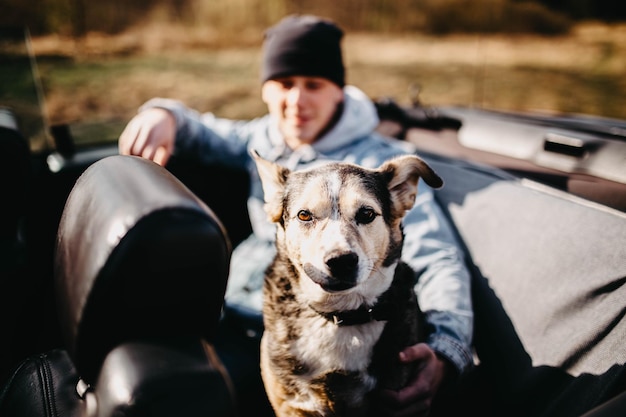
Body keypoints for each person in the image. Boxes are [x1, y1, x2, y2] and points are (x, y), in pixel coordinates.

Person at [119, 14, 473, 416]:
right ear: (267, 90)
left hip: (332, 332)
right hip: (236, 311)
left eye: (314, 85)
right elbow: (204, 132)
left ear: (339, 91)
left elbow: (437, 259)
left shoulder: (376, 170)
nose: (297, 101)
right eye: (285, 85)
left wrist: (448, 351)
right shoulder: (265, 139)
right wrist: (162, 113)